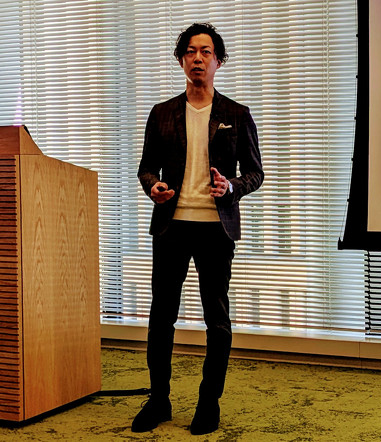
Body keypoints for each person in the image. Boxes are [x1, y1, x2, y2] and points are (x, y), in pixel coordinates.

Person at [134, 22, 264, 435]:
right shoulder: (162, 113)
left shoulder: (236, 114)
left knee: (217, 319)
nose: (198, 58)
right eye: (190, 51)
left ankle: (209, 402)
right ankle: (159, 400)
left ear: (218, 61)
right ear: (180, 61)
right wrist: (152, 187)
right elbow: (146, 168)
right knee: (161, 318)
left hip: (214, 228)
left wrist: (231, 187)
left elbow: (255, 173)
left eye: (206, 52)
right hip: (171, 226)